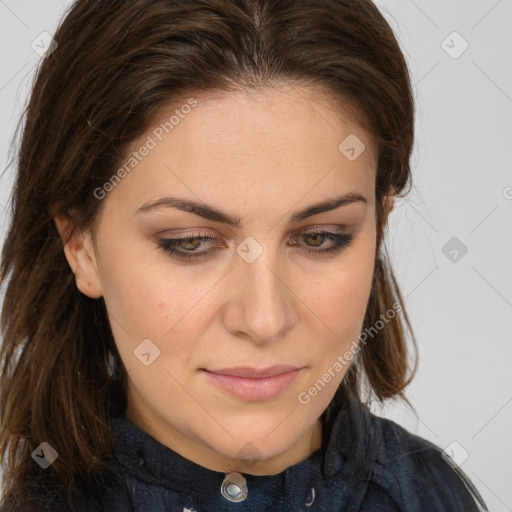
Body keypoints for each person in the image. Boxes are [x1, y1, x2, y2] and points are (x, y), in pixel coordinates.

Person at [0, 0, 489, 510]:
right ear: (81, 245)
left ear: (380, 222)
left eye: (321, 236)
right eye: (190, 242)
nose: (264, 319)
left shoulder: (433, 494)